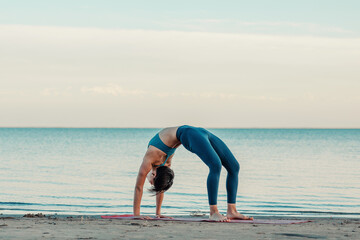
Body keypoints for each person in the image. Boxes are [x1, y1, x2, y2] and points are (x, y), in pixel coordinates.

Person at [133, 125, 252, 222]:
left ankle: (228, 211)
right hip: (194, 132)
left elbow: (139, 187)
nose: (150, 183)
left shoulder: (150, 158)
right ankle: (215, 211)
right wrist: (158, 214)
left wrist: (137, 214)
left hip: (192, 132)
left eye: (152, 183)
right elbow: (161, 187)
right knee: (216, 165)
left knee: (233, 167)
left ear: (154, 175)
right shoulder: (164, 166)